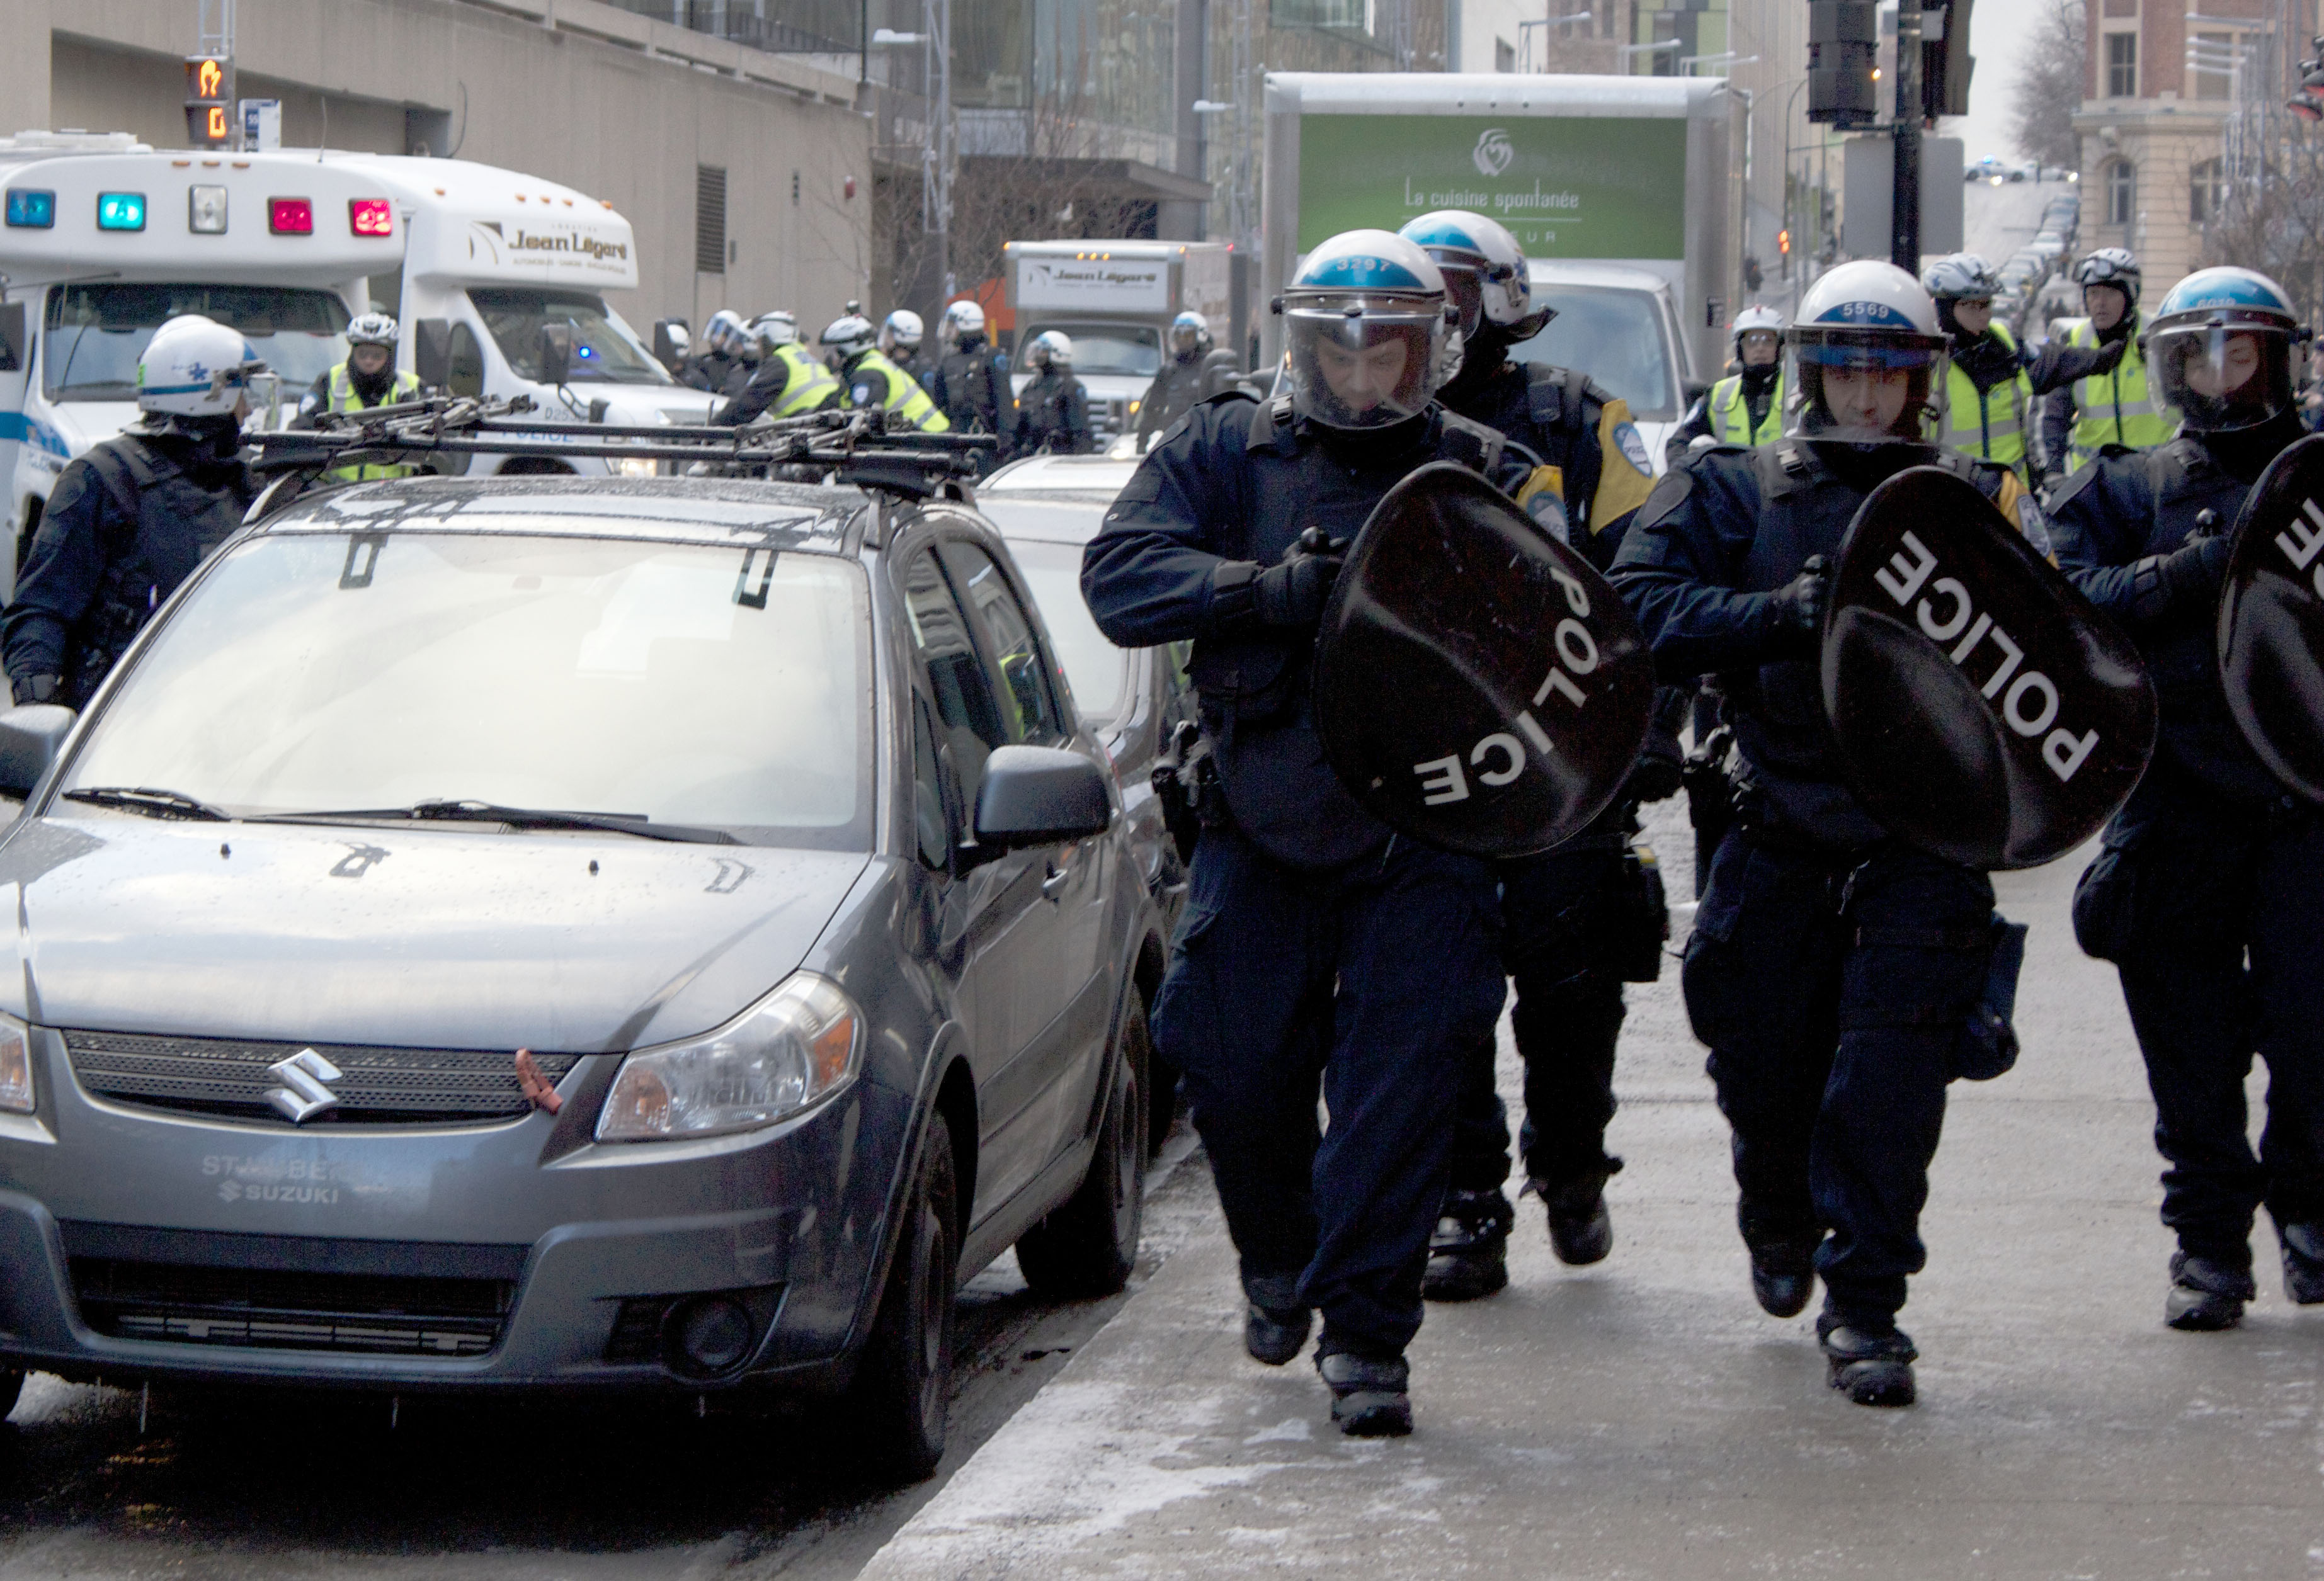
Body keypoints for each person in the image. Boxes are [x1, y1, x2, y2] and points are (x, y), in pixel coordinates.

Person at [1081, 230, 1513, 1437]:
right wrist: (1260, 590)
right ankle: (1277, 1254)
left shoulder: (1482, 472)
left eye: (1393, 348)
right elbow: (1119, 577)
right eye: (1342, 345)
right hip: (1262, 818)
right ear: (1305, 344)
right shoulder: (1230, 448)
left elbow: (1560, 663)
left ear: (1436, 349)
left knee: (1400, 1093)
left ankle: (1370, 1340)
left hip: (1425, 834)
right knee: (1225, 1057)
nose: (1366, 370)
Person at [1609, 261, 2029, 1409]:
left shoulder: (1971, 497)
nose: (1863, 393)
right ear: (1809, 372)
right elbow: (1637, 607)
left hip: (1918, 839)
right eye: (1843, 367)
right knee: (1765, 1065)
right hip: (1778, 819)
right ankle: (1779, 1216)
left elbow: (2052, 660)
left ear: (1919, 382)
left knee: (1890, 1085)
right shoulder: (1732, 490)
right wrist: (1777, 618)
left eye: (1886, 372)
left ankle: (1870, 1307)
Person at [1392, 208, 1673, 1302]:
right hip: (1434, 766)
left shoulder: (1575, 418)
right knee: (1439, 990)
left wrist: (1643, 734)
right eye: (1427, 295)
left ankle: (1571, 1165)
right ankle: (1467, 1197)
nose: (1443, 317)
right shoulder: (1373, 415)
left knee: (1574, 990)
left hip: (1564, 763)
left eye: (1459, 293)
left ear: (1502, 301)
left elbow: (1644, 579)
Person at [2046, 266, 2324, 1332]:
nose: (2219, 372)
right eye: (2198, 353)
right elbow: (2067, 598)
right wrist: (2197, 569)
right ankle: (2209, 1244)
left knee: (2314, 1033)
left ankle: (2309, 1210)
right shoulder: (2127, 487)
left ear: (2276, 359)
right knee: (2190, 1051)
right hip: (2177, 802)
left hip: (2306, 806)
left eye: (2241, 350)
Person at [4, 314, 261, 709]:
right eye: (243, 391)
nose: (249, 409)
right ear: (209, 393)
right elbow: (41, 609)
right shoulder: (102, 478)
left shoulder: (245, 477)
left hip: (224, 701)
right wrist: (40, 713)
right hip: (122, 714)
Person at [1922, 252, 2122, 489]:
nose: (1986, 313)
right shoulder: (1926, 363)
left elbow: (2056, 362)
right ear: (1945, 309)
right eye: (1975, 305)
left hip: (2012, 501)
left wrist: (2103, 357)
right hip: (1952, 500)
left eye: (1988, 303)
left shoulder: (2005, 345)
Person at [2039, 249, 2176, 481]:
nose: (2099, 303)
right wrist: (2053, 471)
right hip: (2096, 486)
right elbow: (2054, 415)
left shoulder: (2159, 338)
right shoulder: (2074, 343)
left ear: (2132, 295)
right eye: (2092, 293)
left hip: (2156, 480)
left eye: (2111, 293)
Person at [293, 313, 424, 482]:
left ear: (389, 355)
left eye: (377, 355)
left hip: (393, 494)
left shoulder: (411, 386)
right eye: (363, 354)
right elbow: (301, 430)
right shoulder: (329, 381)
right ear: (353, 352)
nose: (369, 361)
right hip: (332, 494)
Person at [1666, 307, 1789, 465]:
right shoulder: (1718, 394)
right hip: (1729, 487)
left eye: (1768, 341)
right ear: (1739, 348)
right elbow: (1678, 444)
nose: (1760, 348)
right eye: (1752, 341)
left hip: (1783, 487)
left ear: (1780, 348)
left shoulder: (1798, 393)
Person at [823, 313, 950, 432]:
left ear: (845, 350)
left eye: (833, 351)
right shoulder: (871, 363)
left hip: (927, 439)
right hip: (924, 436)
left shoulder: (868, 374)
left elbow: (861, 419)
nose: (830, 357)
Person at [712, 312, 840, 426]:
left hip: (808, 422)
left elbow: (746, 407)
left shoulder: (779, 363)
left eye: (760, 341)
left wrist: (712, 430)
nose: (759, 346)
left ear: (768, 340)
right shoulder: (802, 356)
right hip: (823, 421)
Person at [931, 301, 1015, 443]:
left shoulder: (991, 356)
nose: (949, 331)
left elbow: (1004, 402)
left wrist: (1005, 440)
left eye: (952, 326)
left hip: (983, 436)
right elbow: (938, 402)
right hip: (954, 436)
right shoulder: (948, 361)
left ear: (967, 325)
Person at [1134, 311, 1217, 450]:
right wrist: (1141, 443)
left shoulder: (1211, 368)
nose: (1183, 341)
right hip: (1174, 439)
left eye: (1188, 336)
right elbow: (1153, 409)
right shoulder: (1168, 371)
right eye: (1179, 336)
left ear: (1201, 336)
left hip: (1205, 441)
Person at [1013, 331, 1092, 456]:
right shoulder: (1032, 386)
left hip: (1059, 455)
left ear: (1057, 354)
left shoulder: (1071, 387)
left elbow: (1081, 432)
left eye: (1042, 351)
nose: (1037, 355)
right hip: (1031, 454)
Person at [679, 309, 753, 397]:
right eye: (713, 333)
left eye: (720, 335)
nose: (713, 339)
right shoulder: (700, 362)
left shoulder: (741, 367)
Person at [882, 309, 936, 392]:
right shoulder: (888, 363)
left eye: (890, 333)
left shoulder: (923, 369)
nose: (886, 337)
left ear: (903, 335)